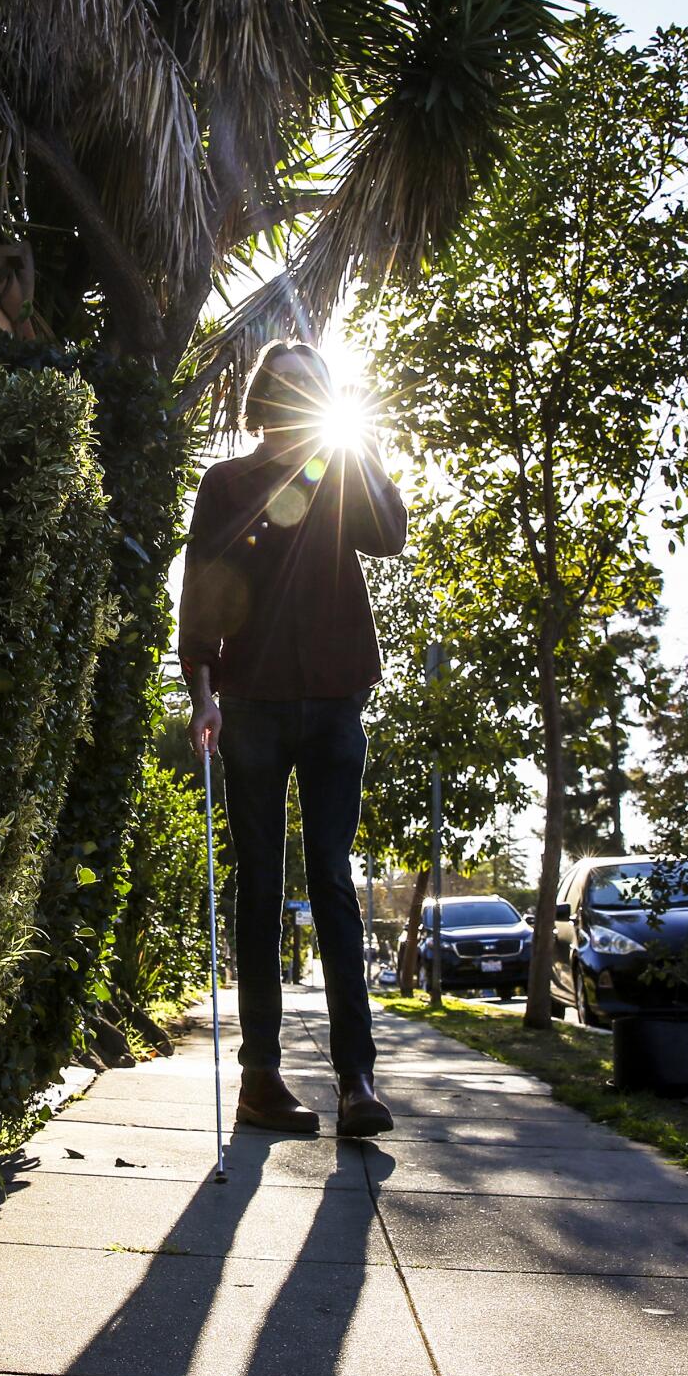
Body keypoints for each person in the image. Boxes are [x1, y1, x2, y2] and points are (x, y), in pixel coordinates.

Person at [179, 340, 406, 1138]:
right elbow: (201, 598)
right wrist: (203, 694)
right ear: (264, 398)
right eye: (293, 388)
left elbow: (391, 532)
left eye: (317, 388)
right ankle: (260, 1076)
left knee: (333, 880)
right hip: (251, 706)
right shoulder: (227, 482)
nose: (302, 398)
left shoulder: (340, 471)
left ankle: (357, 1078)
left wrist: (358, 439)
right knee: (261, 885)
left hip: (335, 700)